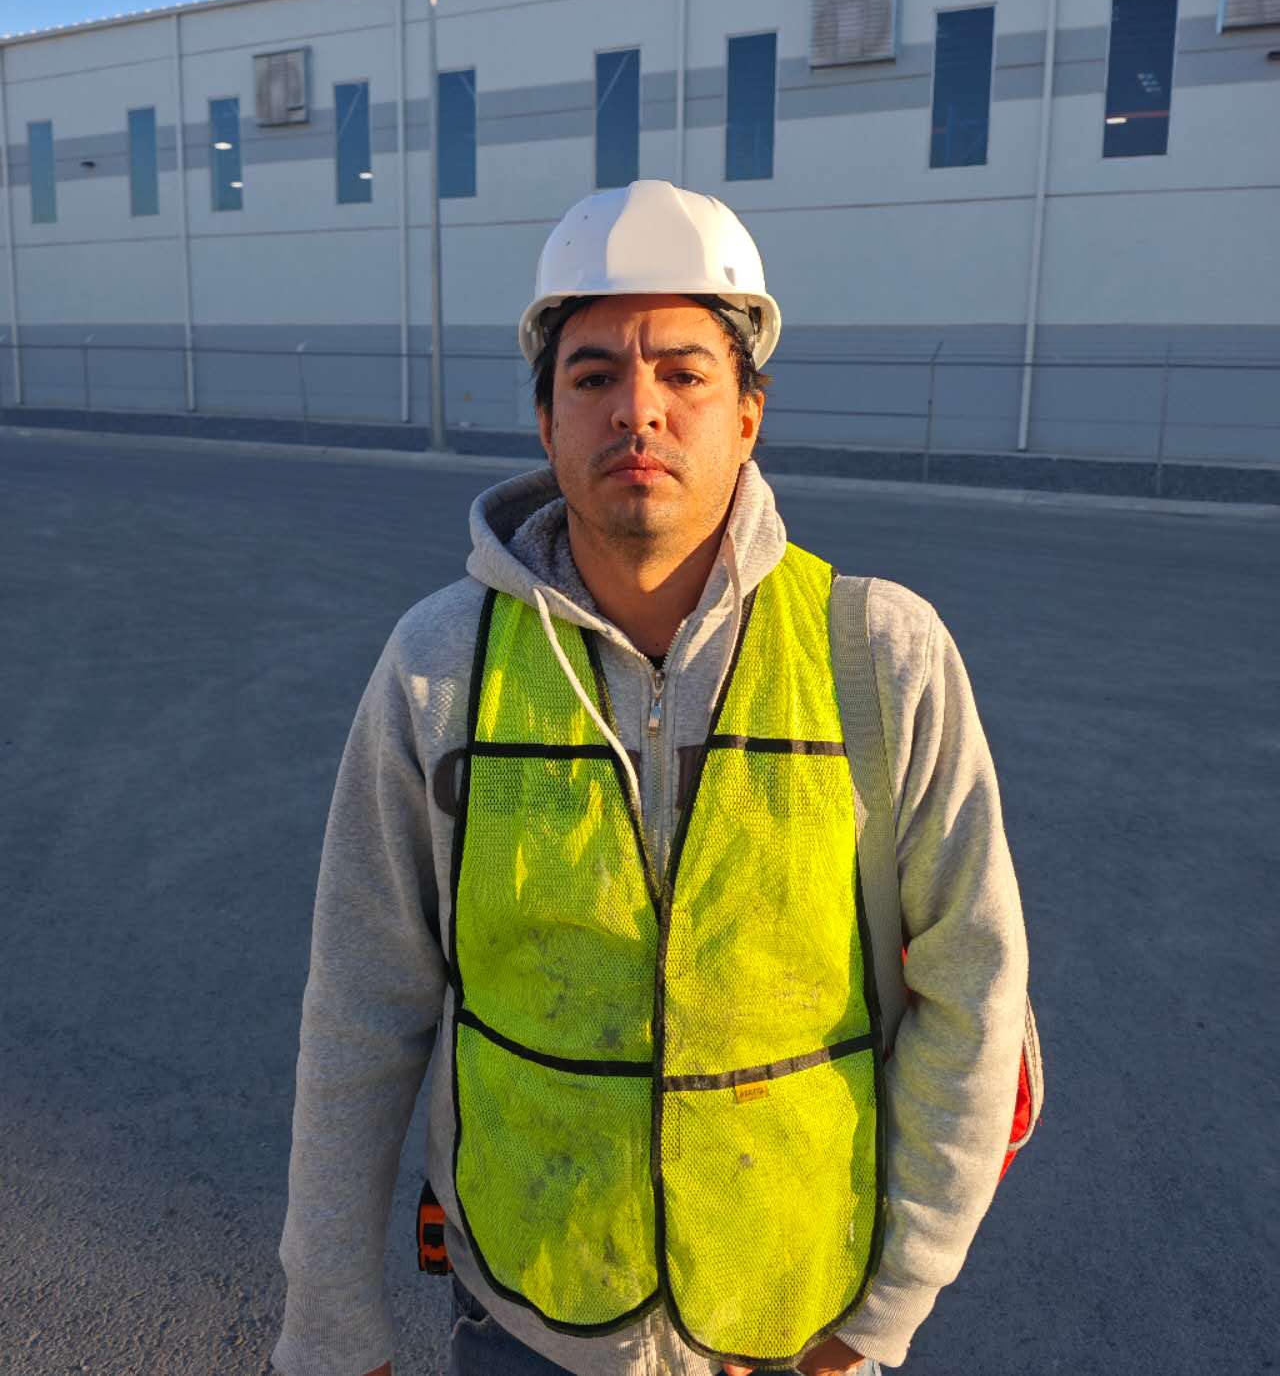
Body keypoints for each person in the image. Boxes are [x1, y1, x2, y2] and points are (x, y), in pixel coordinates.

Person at [270, 179, 1030, 1376]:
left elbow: (974, 989)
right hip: (526, 1316)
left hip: (795, 1327)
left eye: (684, 371)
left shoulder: (876, 654)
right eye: (592, 376)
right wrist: (328, 1322)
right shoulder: (440, 664)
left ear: (749, 413)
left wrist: (883, 1312)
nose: (638, 408)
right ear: (543, 421)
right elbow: (363, 1002)